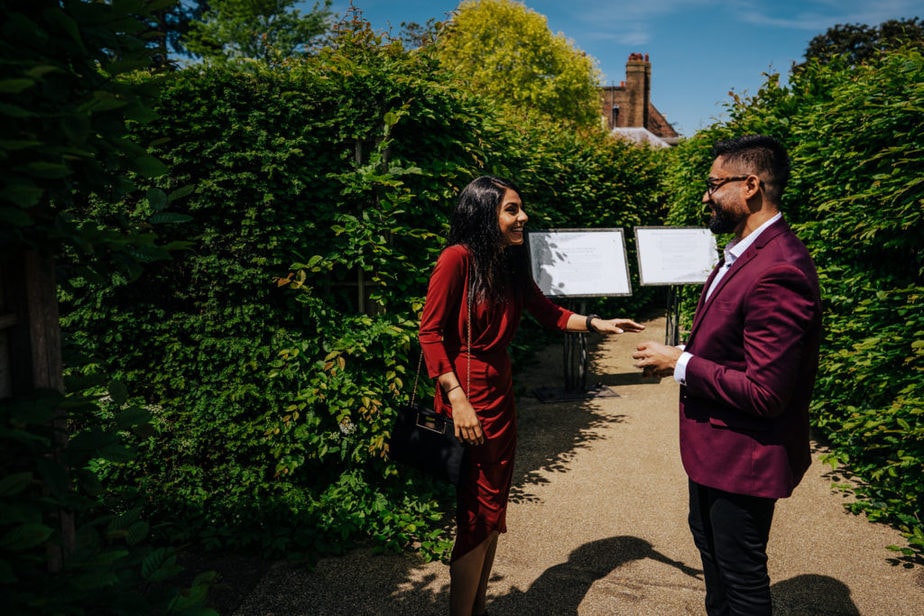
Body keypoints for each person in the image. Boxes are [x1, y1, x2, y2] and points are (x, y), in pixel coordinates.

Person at [419, 175, 645, 616]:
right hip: (468, 396)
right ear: (484, 213)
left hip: (499, 394)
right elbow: (429, 333)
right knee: (477, 511)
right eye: (512, 209)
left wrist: (599, 324)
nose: (523, 217)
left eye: (521, 208)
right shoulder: (456, 259)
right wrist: (457, 399)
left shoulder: (507, 262)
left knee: (493, 508)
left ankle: (478, 607)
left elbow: (548, 312)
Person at [632, 135, 822, 615]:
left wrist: (679, 364)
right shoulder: (745, 250)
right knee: (714, 559)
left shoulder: (780, 269)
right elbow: (735, 345)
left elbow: (766, 391)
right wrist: (686, 351)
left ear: (751, 185)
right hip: (718, 450)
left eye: (715, 184)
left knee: (740, 580)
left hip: (745, 456)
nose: (706, 195)